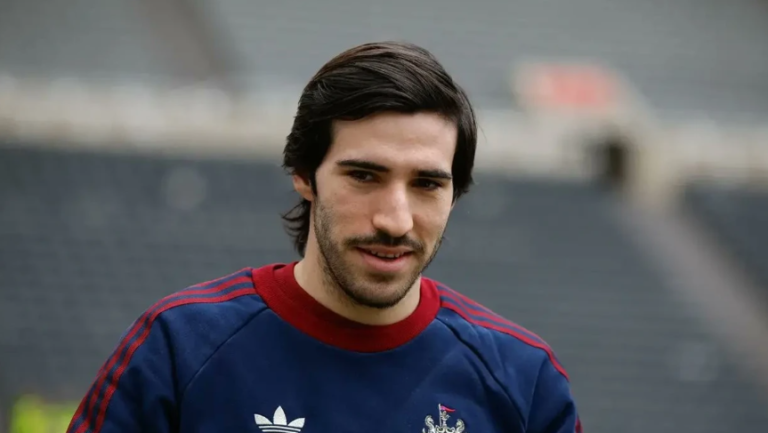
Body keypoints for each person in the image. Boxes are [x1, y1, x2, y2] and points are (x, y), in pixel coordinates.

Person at [66, 41, 582, 433]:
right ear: (304, 174)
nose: (396, 220)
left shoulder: (524, 382)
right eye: (364, 176)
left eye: (427, 184)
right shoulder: (179, 349)